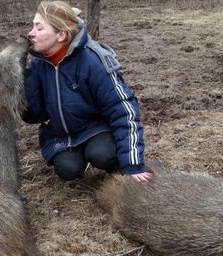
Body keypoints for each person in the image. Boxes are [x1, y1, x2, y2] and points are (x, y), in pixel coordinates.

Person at [23, 0, 151, 182]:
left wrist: (132, 164)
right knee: (67, 169)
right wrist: (27, 77)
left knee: (102, 154)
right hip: (63, 135)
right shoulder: (36, 64)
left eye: (39, 28)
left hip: (95, 129)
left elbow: (124, 110)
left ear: (61, 35)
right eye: (33, 26)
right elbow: (34, 116)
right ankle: (76, 156)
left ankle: (109, 159)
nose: (31, 33)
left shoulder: (93, 60)